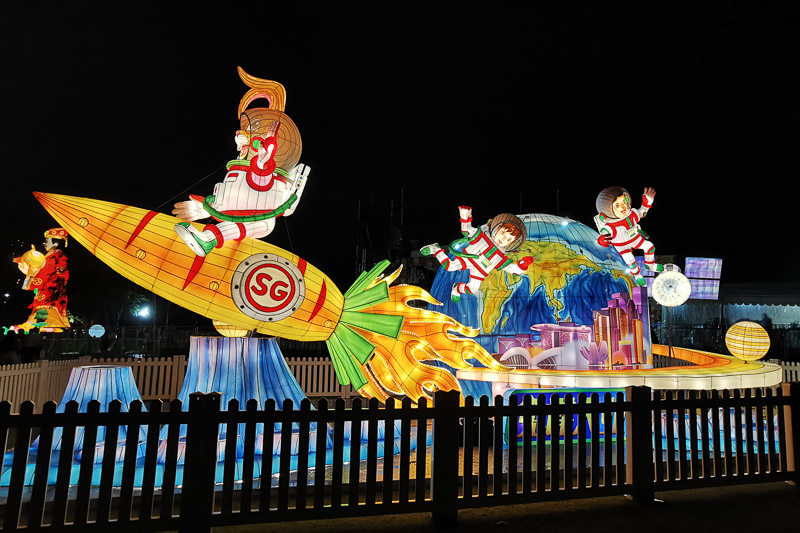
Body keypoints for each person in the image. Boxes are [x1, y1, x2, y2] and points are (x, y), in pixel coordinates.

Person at [173, 71, 310, 257]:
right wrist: (201, 209)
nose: (239, 134)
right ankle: (205, 240)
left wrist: (264, 157)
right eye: (243, 128)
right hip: (237, 215)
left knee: (241, 225)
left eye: (251, 128)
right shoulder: (238, 171)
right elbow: (228, 197)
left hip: (258, 221)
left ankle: (207, 240)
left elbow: (261, 174)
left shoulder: (261, 172)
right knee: (235, 224)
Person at [421, 206, 534, 302]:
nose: (503, 239)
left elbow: (514, 270)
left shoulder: (501, 256)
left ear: (512, 243)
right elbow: (467, 230)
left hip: (480, 271)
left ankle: (457, 288)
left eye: (508, 239)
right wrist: (465, 216)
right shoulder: (483, 236)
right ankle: (436, 249)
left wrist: (523, 264)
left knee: (472, 289)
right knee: (450, 266)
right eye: (503, 233)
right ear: (498, 228)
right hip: (468, 258)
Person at [594, 186, 663, 286]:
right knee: (629, 259)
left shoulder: (632, 214)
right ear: (607, 209)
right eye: (617, 205)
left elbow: (642, 212)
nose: (623, 207)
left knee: (649, 246)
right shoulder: (610, 225)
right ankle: (637, 275)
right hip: (622, 246)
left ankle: (650, 265)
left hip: (635, 239)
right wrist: (602, 240)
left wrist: (647, 202)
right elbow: (605, 233)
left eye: (624, 201)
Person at [15, 228, 71, 332]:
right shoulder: (54, 256)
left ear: (56, 243)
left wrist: (29, 272)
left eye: (47, 241)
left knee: (44, 312)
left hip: (49, 295)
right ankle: (43, 327)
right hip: (51, 294)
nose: (44, 243)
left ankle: (43, 329)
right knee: (43, 312)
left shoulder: (54, 258)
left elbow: (44, 275)